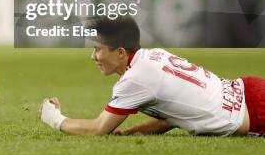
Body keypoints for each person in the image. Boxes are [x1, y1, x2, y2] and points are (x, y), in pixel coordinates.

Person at [38, 17, 264, 136]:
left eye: (97, 49)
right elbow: (170, 115)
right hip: (248, 89)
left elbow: (98, 129)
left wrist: (55, 118)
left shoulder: (135, 79)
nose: (93, 56)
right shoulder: (153, 56)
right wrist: (130, 133)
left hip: (254, 113)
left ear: (120, 52)